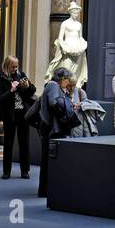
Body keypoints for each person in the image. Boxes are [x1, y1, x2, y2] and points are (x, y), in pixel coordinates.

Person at [36, 68, 78, 197]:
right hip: (51, 130)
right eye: (67, 81)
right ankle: (45, 190)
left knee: (47, 160)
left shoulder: (52, 86)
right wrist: (65, 110)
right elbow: (54, 103)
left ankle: (46, 189)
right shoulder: (53, 86)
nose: (68, 84)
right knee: (48, 160)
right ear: (63, 79)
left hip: (49, 129)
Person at [0, 56, 35, 179]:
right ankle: (6, 171)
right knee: (8, 143)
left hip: (23, 113)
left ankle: (25, 171)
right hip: (9, 115)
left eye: (17, 66)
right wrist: (11, 90)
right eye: (13, 66)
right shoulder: (0, 79)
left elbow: (33, 90)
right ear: (7, 65)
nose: (15, 69)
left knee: (24, 143)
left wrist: (27, 86)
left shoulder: (21, 75)